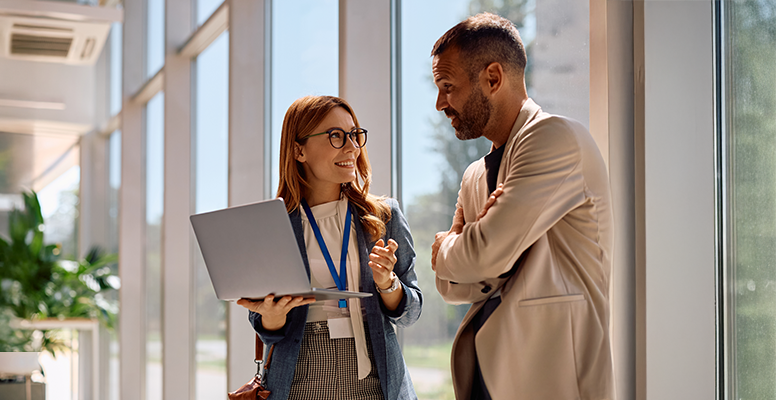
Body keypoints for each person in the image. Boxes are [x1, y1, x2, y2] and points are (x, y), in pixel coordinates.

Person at [429, 13, 615, 400]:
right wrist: (480, 256)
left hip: (550, 379)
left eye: (448, 86)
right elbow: (451, 286)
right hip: (485, 378)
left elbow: (482, 255)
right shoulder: (473, 176)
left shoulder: (555, 138)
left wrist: (451, 247)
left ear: (493, 78)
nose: (439, 103)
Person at [236, 95, 422, 400]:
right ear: (298, 150)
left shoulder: (383, 217)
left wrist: (388, 285)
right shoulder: (273, 225)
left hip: (373, 379)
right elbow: (265, 327)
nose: (351, 146)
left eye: (354, 135)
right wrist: (272, 315)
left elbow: (410, 313)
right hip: (298, 378)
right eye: (336, 136)